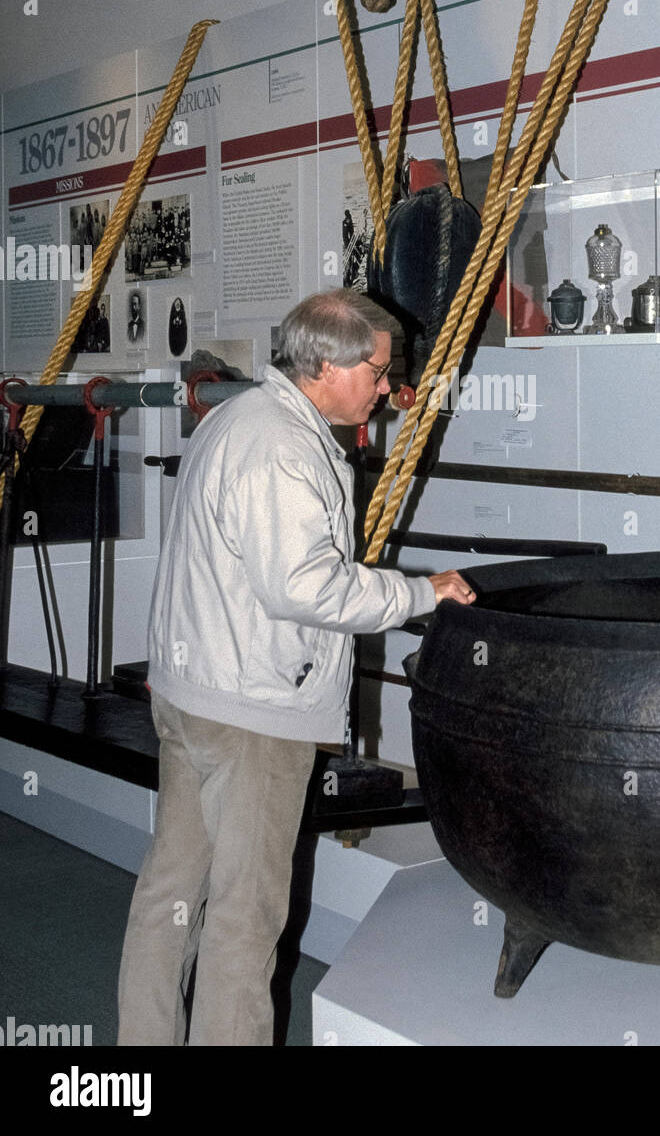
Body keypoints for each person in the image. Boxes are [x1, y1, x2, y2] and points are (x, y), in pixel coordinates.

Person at [116, 289, 474, 1046]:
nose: (385, 387)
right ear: (324, 366)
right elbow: (303, 588)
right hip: (251, 714)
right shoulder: (283, 446)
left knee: (170, 897)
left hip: (195, 695)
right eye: (377, 371)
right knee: (246, 919)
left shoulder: (240, 418)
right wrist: (421, 592)